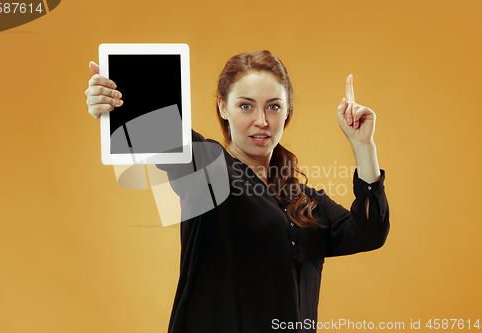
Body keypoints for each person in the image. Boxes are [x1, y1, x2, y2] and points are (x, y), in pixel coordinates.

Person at [85, 50, 390, 333]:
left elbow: (368, 232)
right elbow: (158, 130)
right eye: (246, 105)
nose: (262, 121)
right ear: (223, 107)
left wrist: (363, 146)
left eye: (274, 106)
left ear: (287, 112)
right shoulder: (208, 167)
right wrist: (112, 101)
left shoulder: (306, 200)